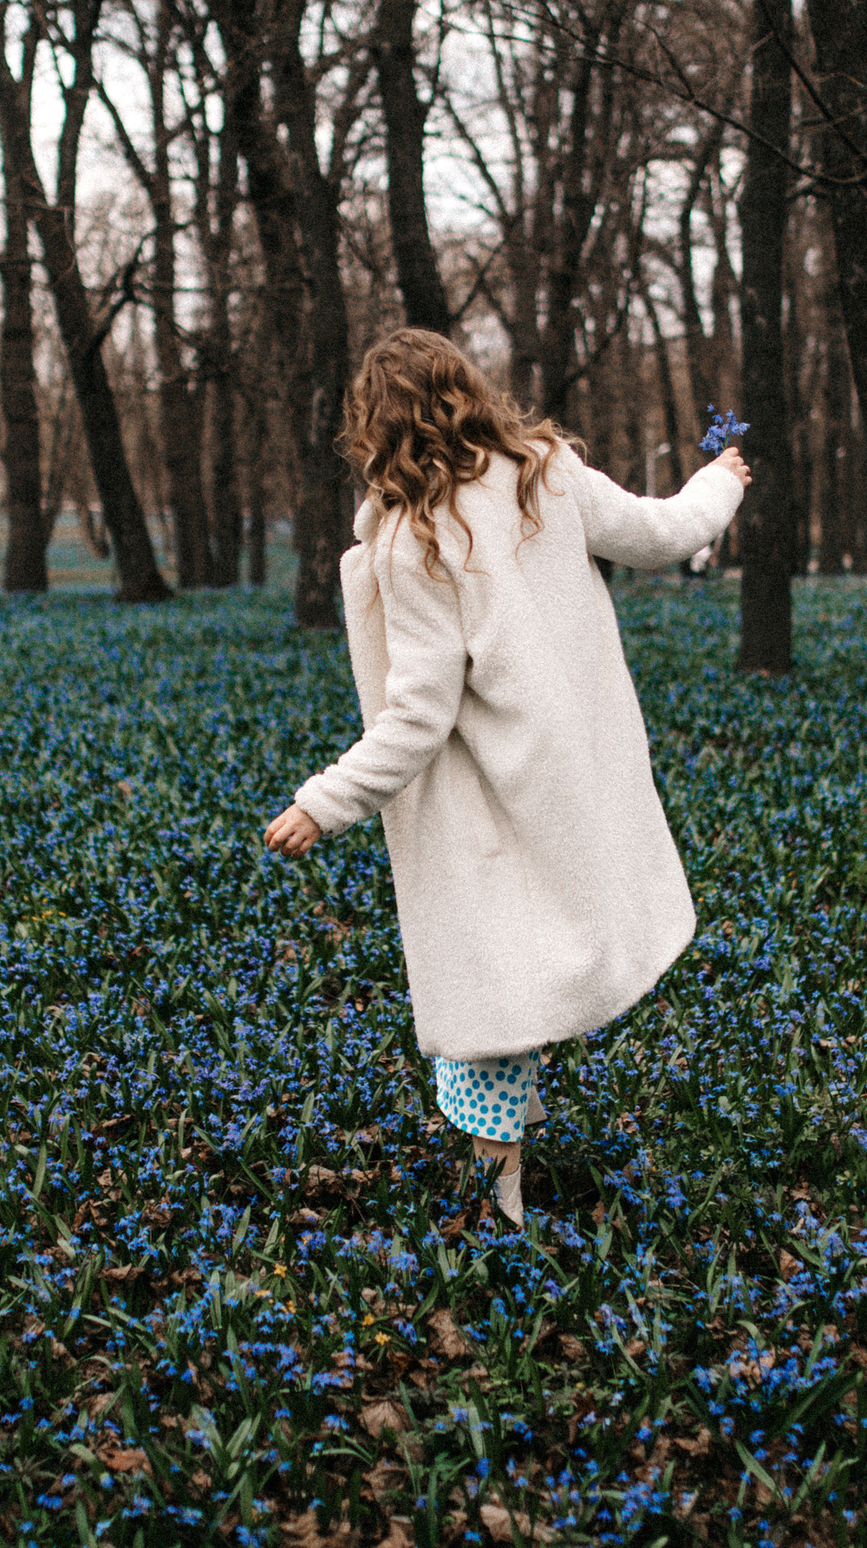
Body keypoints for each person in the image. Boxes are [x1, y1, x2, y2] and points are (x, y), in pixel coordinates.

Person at [263, 328, 751, 1226]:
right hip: (571, 779)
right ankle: (508, 1177)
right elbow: (663, 532)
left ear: (377, 427)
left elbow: (418, 715)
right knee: (517, 974)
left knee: (490, 992)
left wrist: (320, 801)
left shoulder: (420, 536)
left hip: (487, 797)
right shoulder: (545, 470)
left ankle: (501, 1208)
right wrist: (720, 481)